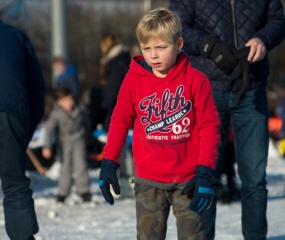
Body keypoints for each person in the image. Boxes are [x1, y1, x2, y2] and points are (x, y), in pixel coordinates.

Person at [98, 8, 220, 239]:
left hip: (189, 180)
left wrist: (205, 171)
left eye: (161, 47)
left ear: (179, 43)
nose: (153, 55)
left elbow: (209, 127)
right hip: (148, 181)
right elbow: (120, 121)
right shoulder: (133, 80)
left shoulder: (197, 81)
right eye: (146, 48)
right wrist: (109, 161)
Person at [169, 0, 285, 239]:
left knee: (254, 177)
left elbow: (278, 20)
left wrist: (263, 39)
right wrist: (207, 45)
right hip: (205, 89)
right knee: (205, 175)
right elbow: (176, 25)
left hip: (251, 87)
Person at [0, 20, 46, 240]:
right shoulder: (16, 36)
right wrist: (22, 139)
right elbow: (36, 90)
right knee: (14, 181)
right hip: (11, 111)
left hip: (9, 107)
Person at [42, 88, 91, 203]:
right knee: (65, 168)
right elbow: (49, 130)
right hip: (64, 143)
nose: (69, 103)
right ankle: (63, 192)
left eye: (70, 100)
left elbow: (87, 124)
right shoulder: (56, 114)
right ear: (59, 102)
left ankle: (84, 191)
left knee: (81, 166)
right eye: (65, 100)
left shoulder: (80, 110)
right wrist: (47, 146)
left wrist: (88, 137)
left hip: (79, 141)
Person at [99, 33, 131, 131]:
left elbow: (115, 87)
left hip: (117, 107)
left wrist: (102, 108)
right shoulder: (123, 58)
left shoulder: (116, 62)